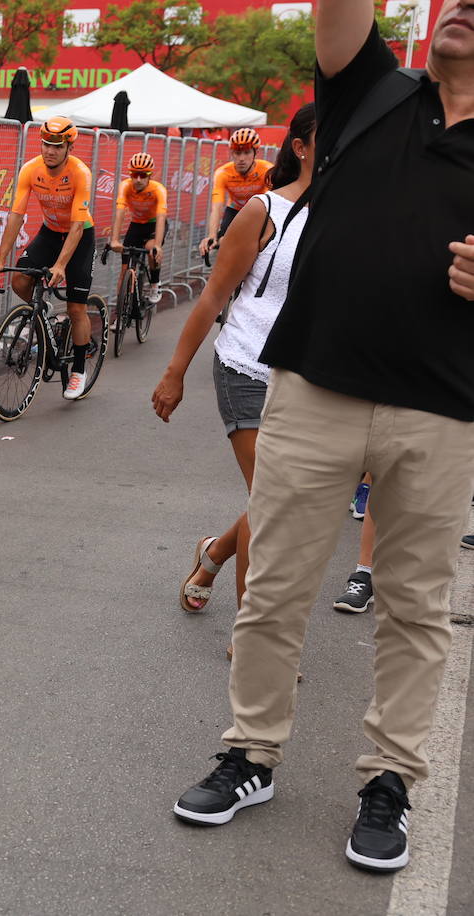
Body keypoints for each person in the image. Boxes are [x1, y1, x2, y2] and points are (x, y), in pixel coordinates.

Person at [172, 0, 474, 874]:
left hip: (443, 411)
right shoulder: (374, 91)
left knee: (415, 609)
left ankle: (389, 783)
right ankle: (251, 755)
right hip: (313, 390)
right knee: (274, 588)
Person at [152, 104, 315, 620]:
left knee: (288, 502)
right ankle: (254, 636)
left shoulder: (351, 217)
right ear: (301, 146)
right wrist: (175, 372)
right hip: (246, 364)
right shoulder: (263, 210)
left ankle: (215, 553)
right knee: (271, 503)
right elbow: (212, 296)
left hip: (308, 381)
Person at [0, 115, 97, 401]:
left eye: (57, 146)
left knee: (76, 308)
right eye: (46, 144)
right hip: (49, 232)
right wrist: (0, 257)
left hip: (79, 236)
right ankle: (43, 313)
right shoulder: (30, 170)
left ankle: (79, 371)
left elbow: (76, 226)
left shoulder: (80, 173)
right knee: (20, 281)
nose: (50, 150)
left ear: (69, 147)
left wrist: (61, 264)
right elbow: (16, 215)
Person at [197, 128, 273, 258]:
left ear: (256, 152)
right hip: (235, 209)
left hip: (259, 210)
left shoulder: (267, 170)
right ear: (232, 153)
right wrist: (212, 236)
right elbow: (216, 207)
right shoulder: (223, 173)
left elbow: (270, 204)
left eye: (247, 152)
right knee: (223, 241)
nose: (241, 158)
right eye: (237, 153)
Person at [109, 151, 167, 306]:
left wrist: (158, 246)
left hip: (154, 225)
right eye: (134, 175)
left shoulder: (158, 189)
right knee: (124, 270)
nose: (138, 179)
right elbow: (120, 212)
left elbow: (161, 217)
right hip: (136, 225)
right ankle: (120, 313)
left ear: (150, 175)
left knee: (151, 250)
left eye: (143, 175)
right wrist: (114, 240)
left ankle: (155, 283)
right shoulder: (125, 186)